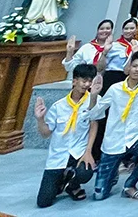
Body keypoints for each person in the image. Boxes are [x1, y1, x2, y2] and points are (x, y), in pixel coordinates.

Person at [91, 50, 138, 201]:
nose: (137, 69)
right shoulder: (115, 88)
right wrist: (94, 95)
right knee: (99, 195)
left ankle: (129, 185)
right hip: (113, 140)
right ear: (128, 67)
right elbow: (96, 113)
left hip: (135, 136)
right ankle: (112, 174)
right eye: (135, 66)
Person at [34, 63, 101, 207]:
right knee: (43, 202)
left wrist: (88, 151)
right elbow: (45, 133)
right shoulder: (59, 106)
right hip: (58, 155)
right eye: (84, 80)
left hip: (78, 152)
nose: (87, 84)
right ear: (74, 81)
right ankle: (63, 180)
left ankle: (72, 184)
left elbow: (93, 123)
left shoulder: (94, 99)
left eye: (90, 81)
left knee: (85, 172)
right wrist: (40, 119)